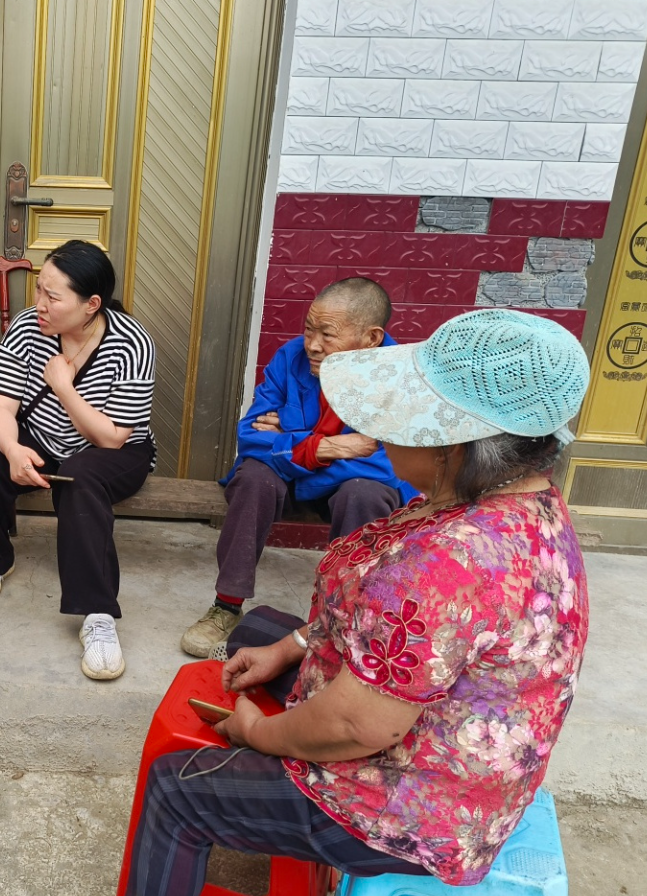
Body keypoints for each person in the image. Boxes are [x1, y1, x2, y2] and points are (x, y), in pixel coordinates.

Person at [126, 309, 591, 893]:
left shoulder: (448, 561)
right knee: (257, 631)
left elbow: (359, 724)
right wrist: (293, 645)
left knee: (177, 788)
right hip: (462, 739)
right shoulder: (525, 501)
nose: (383, 436)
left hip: (416, 805)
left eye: (399, 421)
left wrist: (258, 733)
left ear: (450, 447)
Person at [181, 278, 416, 659]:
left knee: (366, 492)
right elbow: (249, 436)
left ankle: (337, 617)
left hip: (344, 487)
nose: (312, 345)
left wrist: (289, 442)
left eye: (327, 334)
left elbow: (386, 466)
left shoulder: (399, 377)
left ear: (371, 338)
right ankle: (226, 605)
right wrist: (326, 447)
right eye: (309, 330)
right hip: (294, 480)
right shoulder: (291, 358)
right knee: (254, 478)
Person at [0, 240, 156, 681]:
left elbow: (111, 437)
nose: (40, 304)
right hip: (42, 436)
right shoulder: (26, 328)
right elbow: (2, 406)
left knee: (79, 478)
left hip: (113, 451)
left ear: (91, 305)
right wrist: (12, 449)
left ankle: (98, 615)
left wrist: (63, 386)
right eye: (38, 290)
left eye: (53, 296)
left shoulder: (132, 343)